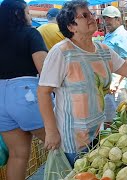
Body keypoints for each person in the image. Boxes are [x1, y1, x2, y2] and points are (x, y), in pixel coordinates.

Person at [37, 0, 127, 167]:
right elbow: (43, 92)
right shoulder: (61, 53)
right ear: (71, 26)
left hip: (96, 131)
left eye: (91, 14)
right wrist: (51, 131)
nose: (92, 18)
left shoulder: (103, 51)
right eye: (85, 15)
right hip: (71, 137)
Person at [0, 0, 48, 179]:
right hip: (25, 94)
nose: (30, 17)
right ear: (17, 14)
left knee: (17, 155)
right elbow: (45, 70)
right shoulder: (30, 34)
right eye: (28, 13)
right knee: (59, 143)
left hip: (0, 99)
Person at [102, 6, 127, 96]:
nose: (106, 22)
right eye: (105, 19)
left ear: (118, 20)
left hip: (120, 84)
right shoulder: (110, 34)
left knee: (121, 109)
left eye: (110, 19)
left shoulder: (122, 35)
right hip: (110, 82)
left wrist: (116, 82)